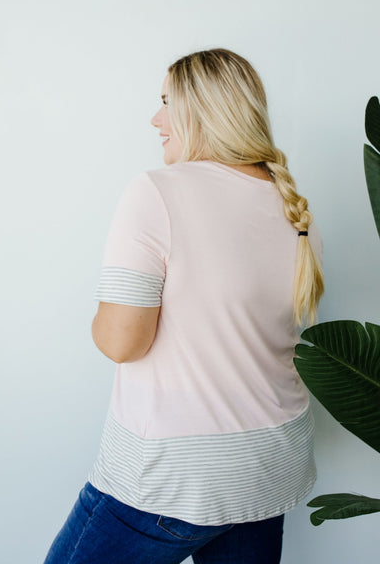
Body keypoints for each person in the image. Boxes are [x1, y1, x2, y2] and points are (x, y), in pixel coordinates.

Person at [43, 47, 324, 564]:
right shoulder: (291, 206)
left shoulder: (157, 191)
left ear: (203, 109)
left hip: (175, 476)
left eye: (167, 102)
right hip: (268, 465)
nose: (156, 118)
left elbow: (122, 342)